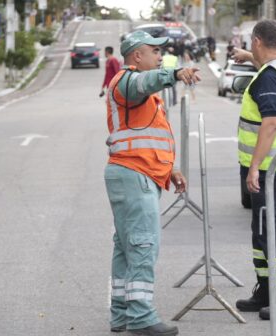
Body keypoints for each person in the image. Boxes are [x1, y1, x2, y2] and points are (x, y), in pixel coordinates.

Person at [104, 30, 200, 335]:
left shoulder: (143, 93)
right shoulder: (128, 81)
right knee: (143, 245)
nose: (159, 56)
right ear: (136, 56)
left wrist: (171, 169)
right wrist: (173, 73)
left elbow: (148, 138)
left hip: (136, 172)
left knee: (127, 247)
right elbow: (145, 81)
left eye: (161, 52)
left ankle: (121, 314)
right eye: (154, 52)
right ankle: (141, 317)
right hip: (134, 175)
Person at [231, 20, 276, 321]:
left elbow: (270, 124)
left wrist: (255, 168)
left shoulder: (270, 78)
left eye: (251, 45)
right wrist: (248, 57)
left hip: (271, 168)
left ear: (257, 41)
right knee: (262, 229)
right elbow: (265, 61)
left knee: (275, 229)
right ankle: (266, 288)